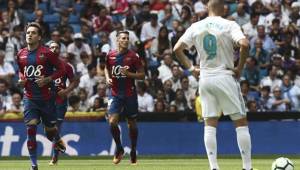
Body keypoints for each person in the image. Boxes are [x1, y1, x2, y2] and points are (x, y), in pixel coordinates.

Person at [173, 0, 252, 169]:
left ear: (207, 8)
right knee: (240, 122)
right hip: (225, 76)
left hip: (205, 78)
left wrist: (191, 68)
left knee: (210, 124)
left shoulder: (196, 26)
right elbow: (244, 44)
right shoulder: (230, 24)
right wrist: (239, 68)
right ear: (223, 8)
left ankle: (214, 167)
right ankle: (247, 167)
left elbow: (177, 49)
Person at [16, 22, 66, 170]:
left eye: (33, 33)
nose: (29, 35)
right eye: (28, 32)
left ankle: (56, 137)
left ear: (39, 37)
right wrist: (21, 80)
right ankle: (34, 165)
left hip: (47, 98)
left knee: (50, 132)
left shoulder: (47, 53)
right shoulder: (21, 54)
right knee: (31, 128)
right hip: (30, 98)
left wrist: (48, 79)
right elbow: (21, 71)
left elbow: (62, 69)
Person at [105, 30, 145, 165]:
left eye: (127, 38)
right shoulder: (110, 55)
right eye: (123, 38)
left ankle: (133, 150)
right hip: (115, 93)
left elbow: (142, 75)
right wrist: (107, 78)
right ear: (117, 40)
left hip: (129, 94)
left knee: (132, 124)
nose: (126, 40)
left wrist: (128, 74)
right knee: (112, 122)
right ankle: (119, 148)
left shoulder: (134, 56)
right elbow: (106, 68)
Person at [48, 41, 80, 165]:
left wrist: (66, 91)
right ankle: (59, 145)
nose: (54, 49)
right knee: (49, 129)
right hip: (46, 101)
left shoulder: (66, 66)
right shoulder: (42, 66)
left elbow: (74, 81)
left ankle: (55, 156)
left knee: (56, 127)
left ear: (59, 50)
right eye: (52, 47)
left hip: (60, 101)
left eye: (57, 47)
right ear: (48, 49)